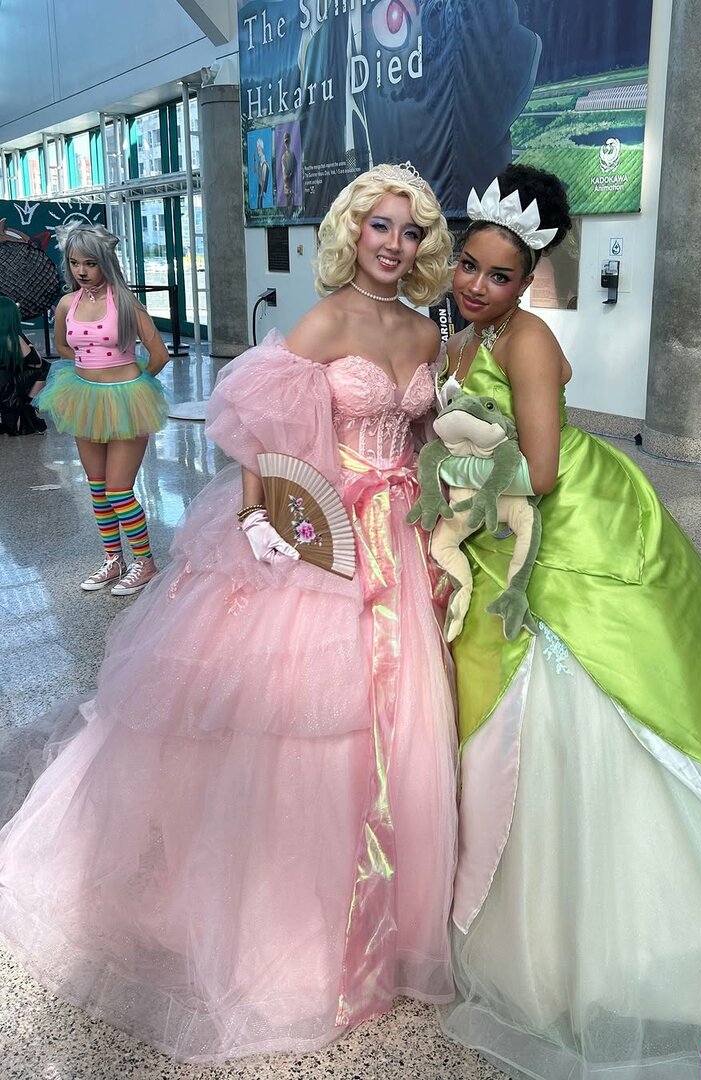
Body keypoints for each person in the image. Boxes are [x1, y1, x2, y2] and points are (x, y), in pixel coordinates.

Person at [0, 163, 457, 1063]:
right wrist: (261, 524)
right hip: (322, 537)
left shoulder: (424, 328)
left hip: (402, 536)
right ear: (352, 231)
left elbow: (421, 433)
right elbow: (259, 435)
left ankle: (395, 912)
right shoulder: (324, 323)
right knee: (306, 712)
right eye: (381, 226)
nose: (395, 245)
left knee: (401, 716)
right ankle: (297, 918)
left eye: (411, 231)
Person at [428, 165, 701, 1079]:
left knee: (601, 690)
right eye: (469, 265)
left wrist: (454, 494)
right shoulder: (463, 338)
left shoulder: (526, 342)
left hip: (560, 523)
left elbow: (540, 472)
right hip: (498, 524)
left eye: (500, 275)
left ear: (531, 277)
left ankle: (651, 939)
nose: (477, 285)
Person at [35, 223, 170, 594]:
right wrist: (89, 363)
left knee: (118, 490)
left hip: (126, 401)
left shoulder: (125, 302)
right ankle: (114, 559)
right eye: (74, 262)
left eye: (90, 263)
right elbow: (63, 347)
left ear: (105, 262)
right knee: (97, 488)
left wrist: (135, 386)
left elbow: (159, 355)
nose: (81, 271)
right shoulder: (68, 304)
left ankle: (145, 562)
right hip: (84, 397)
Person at [0, 295, 49, 436]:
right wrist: (28, 343)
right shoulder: (13, 338)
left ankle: (23, 406)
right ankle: (28, 404)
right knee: (46, 368)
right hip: (6, 390)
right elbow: (37, 362)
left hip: (4, 388)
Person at [255, 137, 270, 209]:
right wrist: (254, 160)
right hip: (260, 186)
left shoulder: (264, 164)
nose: (258, 152)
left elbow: (263, 180)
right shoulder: (259, 163)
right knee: (259, 204)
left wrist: (261, 192)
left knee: (260, 204)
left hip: (262, 188)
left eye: (259, 150)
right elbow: (256, 172)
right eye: (257, 150)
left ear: (262, 149)